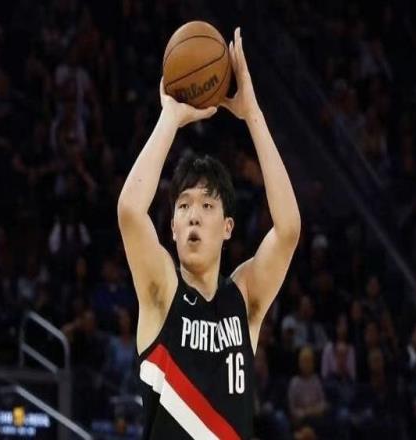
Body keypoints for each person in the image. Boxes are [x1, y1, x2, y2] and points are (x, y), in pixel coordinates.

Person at [117, 28, 301, 439]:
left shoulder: (244, 298)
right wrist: (169, 118)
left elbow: (289, 229)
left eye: (207, 206)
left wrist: (253, 114)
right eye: (183, 207)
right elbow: (130, 211)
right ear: (172, 227)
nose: (194, 217)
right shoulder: (161, 292)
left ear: (228, 227)